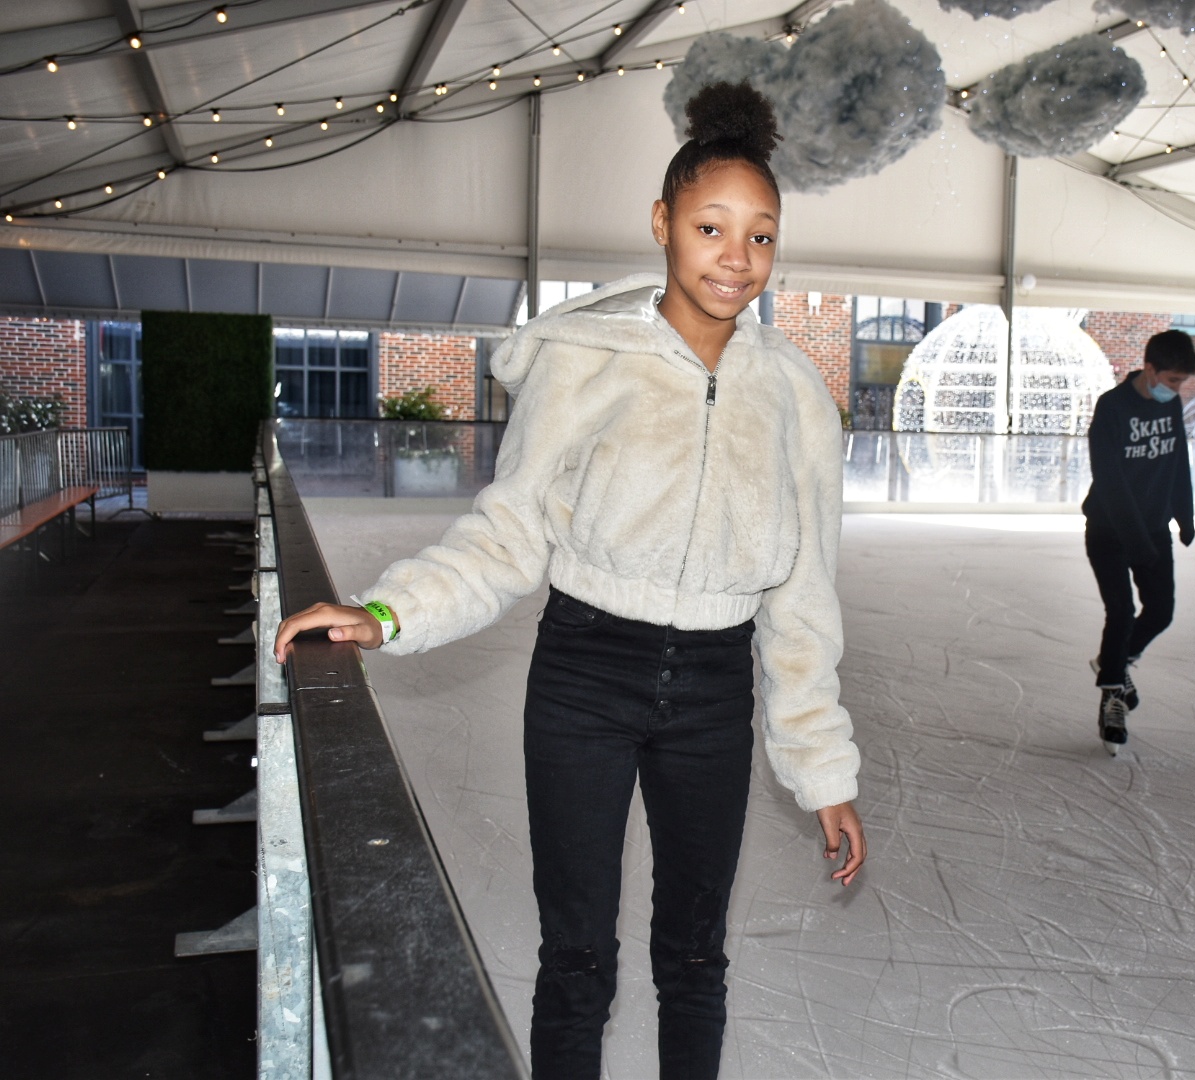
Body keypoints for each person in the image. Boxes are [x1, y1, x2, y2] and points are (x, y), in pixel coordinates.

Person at [273, 82, 865, 1080]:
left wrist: (826, 771)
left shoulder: (795, 398)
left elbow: (804, 598)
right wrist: (387, 611)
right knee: (578, 956)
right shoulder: (589, 363)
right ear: (662, 224)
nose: (737, 257)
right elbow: (508, 532)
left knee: (693, 956)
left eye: (761, 237)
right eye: (712, 227)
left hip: (715, 695)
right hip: (587, 674)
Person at [1081, 330, 1195, 755]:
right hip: (1109, 530)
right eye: (1171, 380)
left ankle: (1113, 662)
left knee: (1161, 610)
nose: (1176, 389)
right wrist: (1136, 539)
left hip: (1152, 529)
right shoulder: (1112, 408)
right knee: (1121, 611)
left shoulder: (1171, 408)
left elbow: (1177, 460)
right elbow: (1110, 483)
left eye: (1181, 383)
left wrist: (1184, 517)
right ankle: (1112, 697)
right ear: (1149, 369)